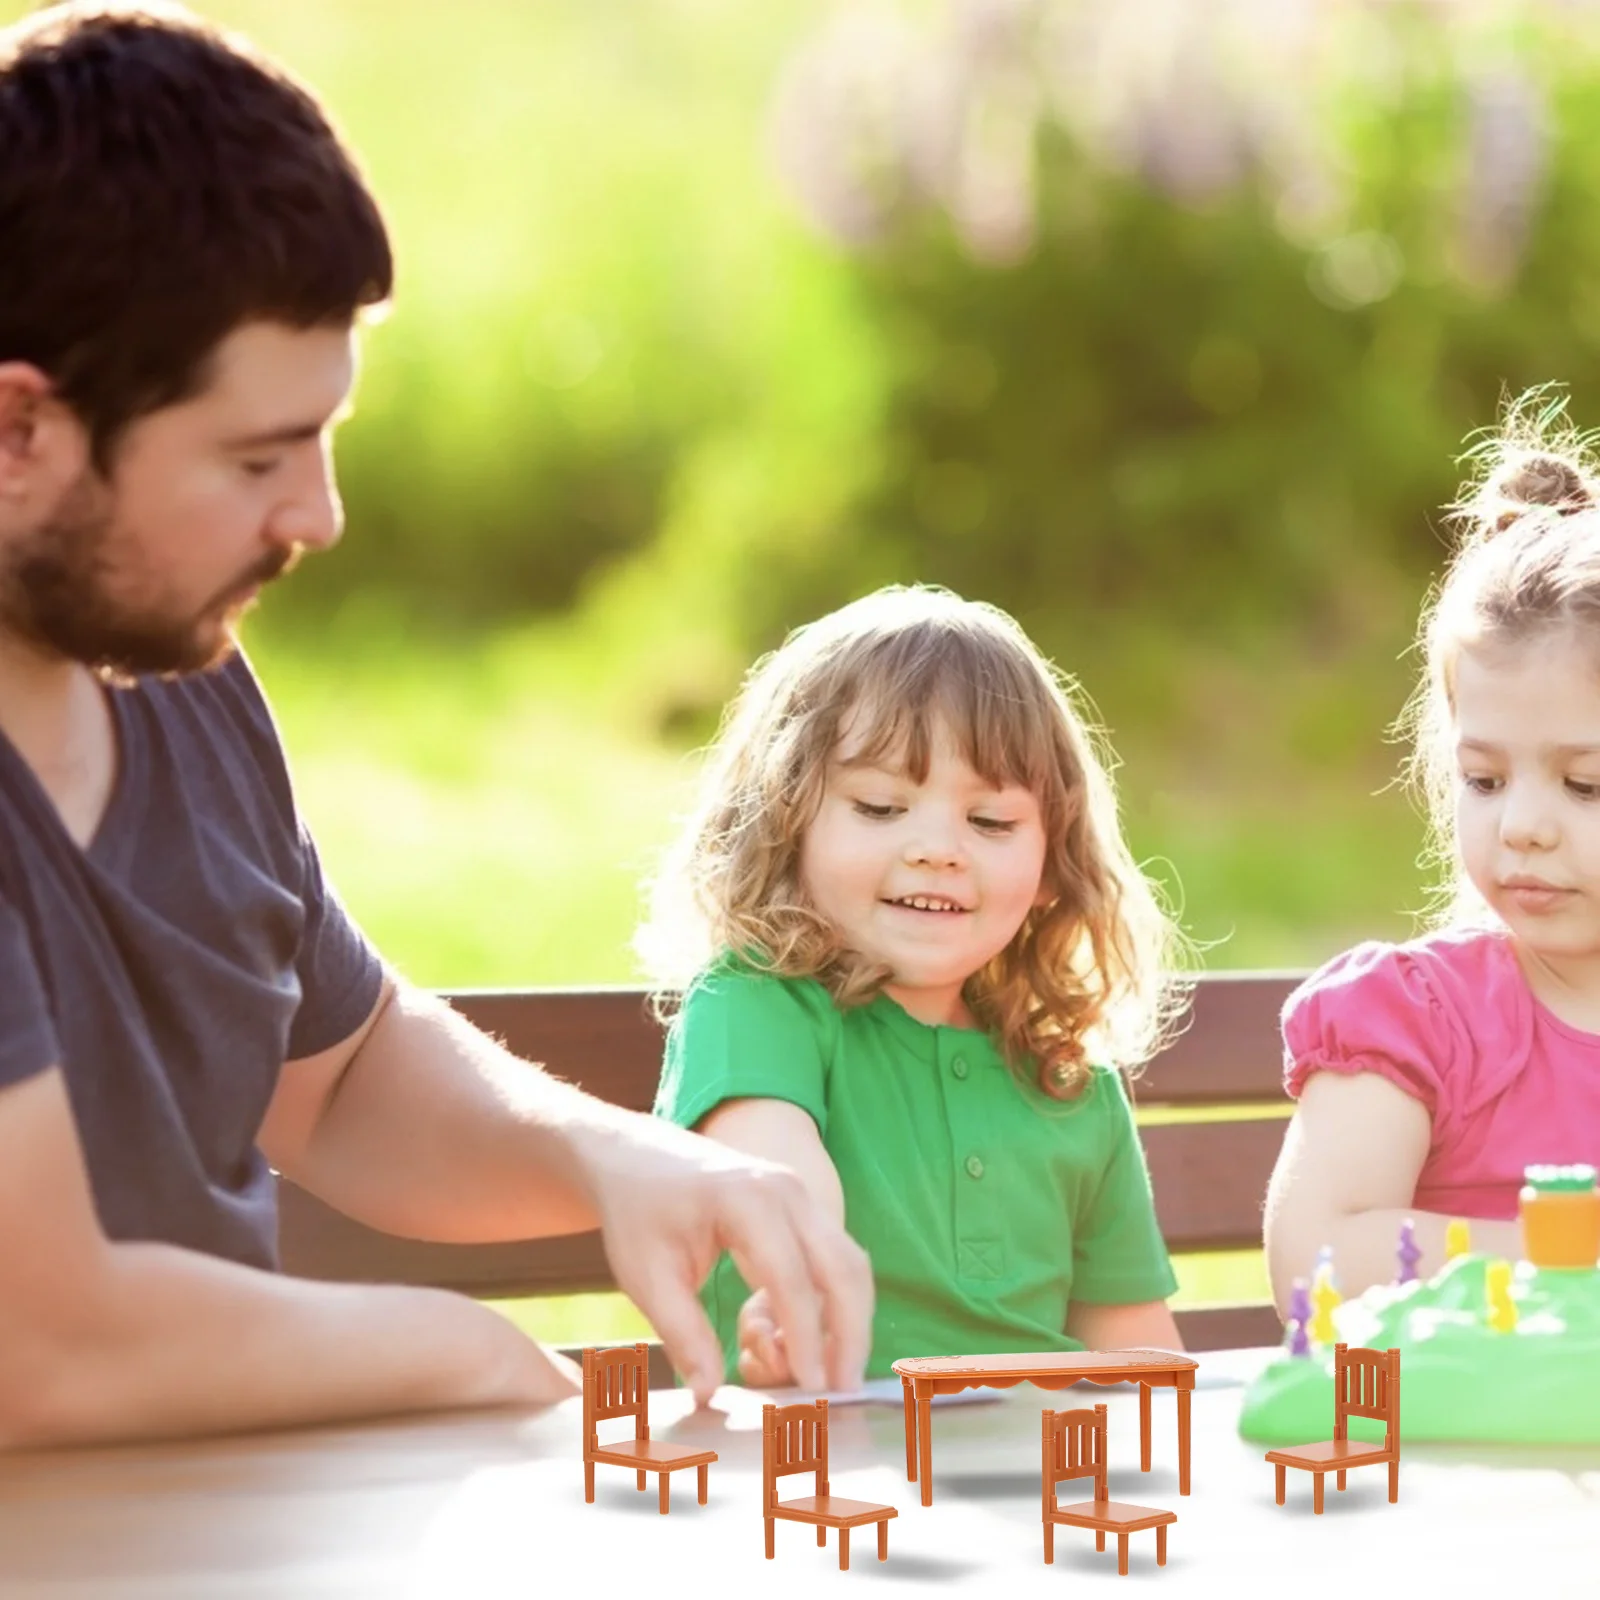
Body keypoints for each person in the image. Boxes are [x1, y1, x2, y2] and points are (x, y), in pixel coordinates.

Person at [0, 1, 871, 1449]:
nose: (317, 517)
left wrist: (616, 1163)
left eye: (325, 441)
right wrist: (469, 1351)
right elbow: (44, 1348)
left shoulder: (181, 670)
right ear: (20, 430)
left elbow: (336, 1083)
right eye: (256, 456)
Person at [641, 585, 1189, 1384]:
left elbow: (1138, 1354)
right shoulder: (756, 1006)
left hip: (1041, 1487)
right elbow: (775, 1186)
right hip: (827, 1475)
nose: (938, 849)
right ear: (784, 821)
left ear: (1051, 862)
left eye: (991, 822)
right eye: (880, 805)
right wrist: (807, 1306)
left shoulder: (1068, 1078)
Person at [1264, 393, 1600, 1311]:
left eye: (1585, 786)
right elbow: (1316, 1251)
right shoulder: (1423, 1019)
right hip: (1451, 1450)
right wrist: (1568, 1256)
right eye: (1485, 780)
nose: (1522, 826)